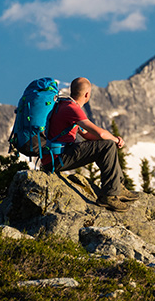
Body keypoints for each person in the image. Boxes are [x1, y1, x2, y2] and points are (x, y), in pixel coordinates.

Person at [45, 77, 140, 212]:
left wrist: (107, 140)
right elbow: (99, 133)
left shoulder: (63, 105)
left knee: (105, 145)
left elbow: (86, 134)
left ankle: (117, 186)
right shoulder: (72, 109)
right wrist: (116, 140)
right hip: (57, 158)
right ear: (87, 94)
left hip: (56, 156)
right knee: (107, 145)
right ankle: (109, 196)